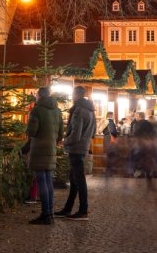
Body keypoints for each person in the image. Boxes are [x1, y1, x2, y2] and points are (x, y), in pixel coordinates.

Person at [55, 86, 97, 221]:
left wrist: (64, 141)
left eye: (72, 94)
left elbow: (76, 134)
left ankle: (83, 210)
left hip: (76, 148)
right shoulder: (91, 110)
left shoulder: (79, 110)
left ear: (76, 94)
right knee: (74, 180)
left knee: (79, 180)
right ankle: (68, 208)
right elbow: (93, 131)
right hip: (83, 147)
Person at [27, 87, 63, 225]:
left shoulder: (36, 110)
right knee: (48, 182)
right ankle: (50, 213)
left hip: (39, 150)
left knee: (41, 181)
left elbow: (32, 131)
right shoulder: (57, 111)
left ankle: (45, 214)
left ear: (40, 96)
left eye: (36, 95)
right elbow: (61, 134)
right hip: (51, 150)